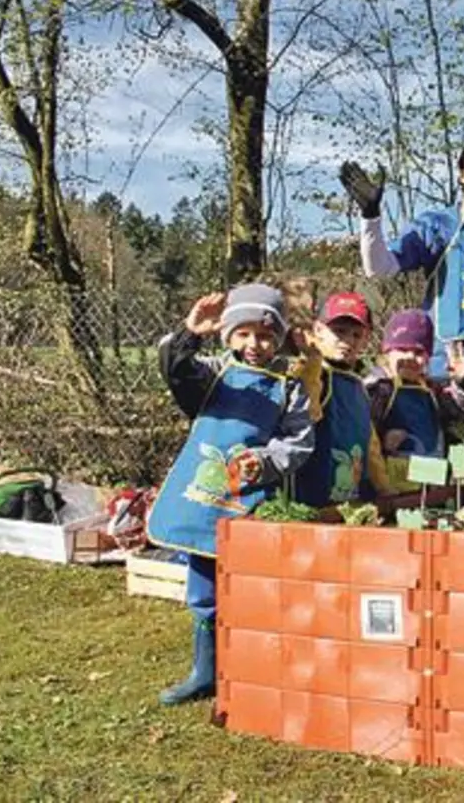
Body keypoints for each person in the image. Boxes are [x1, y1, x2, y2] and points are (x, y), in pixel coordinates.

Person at [146, 284, 314, 705]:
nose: (254, 344)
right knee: (204, 589)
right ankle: (205, 671)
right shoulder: (211, 374)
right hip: (204, 497)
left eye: (264, 334)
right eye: (243, 334)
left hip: (251, 501)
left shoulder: (289, 386)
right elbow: (174, 369)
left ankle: (256, 667)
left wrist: (268, 461)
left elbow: (298, 441)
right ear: (228, 336)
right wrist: (190, 333)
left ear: (278, 336)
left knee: (253, 586)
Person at [341, 139, 464, 376]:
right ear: (461, 176)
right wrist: (370, 217)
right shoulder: (437, 225)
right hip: (442, 366)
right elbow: (379, 268)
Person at [292, 292, 391, 507]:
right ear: (318, 330)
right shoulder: (311, 372)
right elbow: (307, 412)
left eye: (356, 335)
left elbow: (370, 444)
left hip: (352, 501)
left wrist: (384, 488)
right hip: (311, 502)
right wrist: (312, 362)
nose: (347, 342)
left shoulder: (360, 386)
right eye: (339, 332)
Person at [366, 310, 464, 488]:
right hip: (391, 479)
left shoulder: (432, 390)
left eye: (418, 352)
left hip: (431, 474)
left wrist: (463, 382)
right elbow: (363, 429)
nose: (411, 357)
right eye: (402, 349)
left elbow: (457, 414)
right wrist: (382, 439)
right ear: (386, 352)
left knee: (428, 508)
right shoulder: (378, 390)